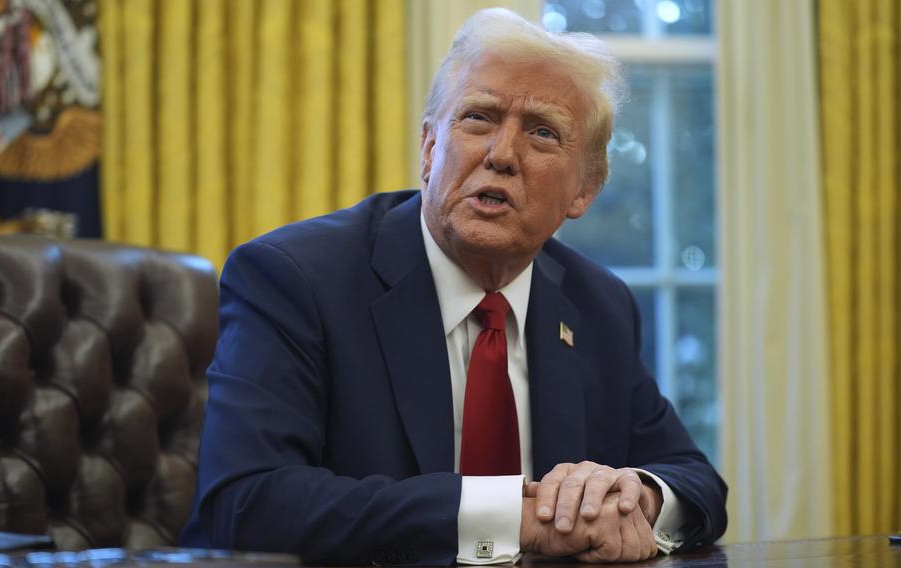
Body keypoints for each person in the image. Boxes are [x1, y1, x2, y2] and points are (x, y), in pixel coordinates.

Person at [180, 8, 727, 565]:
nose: (501, 155)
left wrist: (635, 496)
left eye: (542, 133)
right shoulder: (293, 278)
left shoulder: (597, 304)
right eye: (478, 118)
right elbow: (244, 506)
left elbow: (697, 481)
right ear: (428, 147)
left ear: (585, 188)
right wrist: (506, 517)